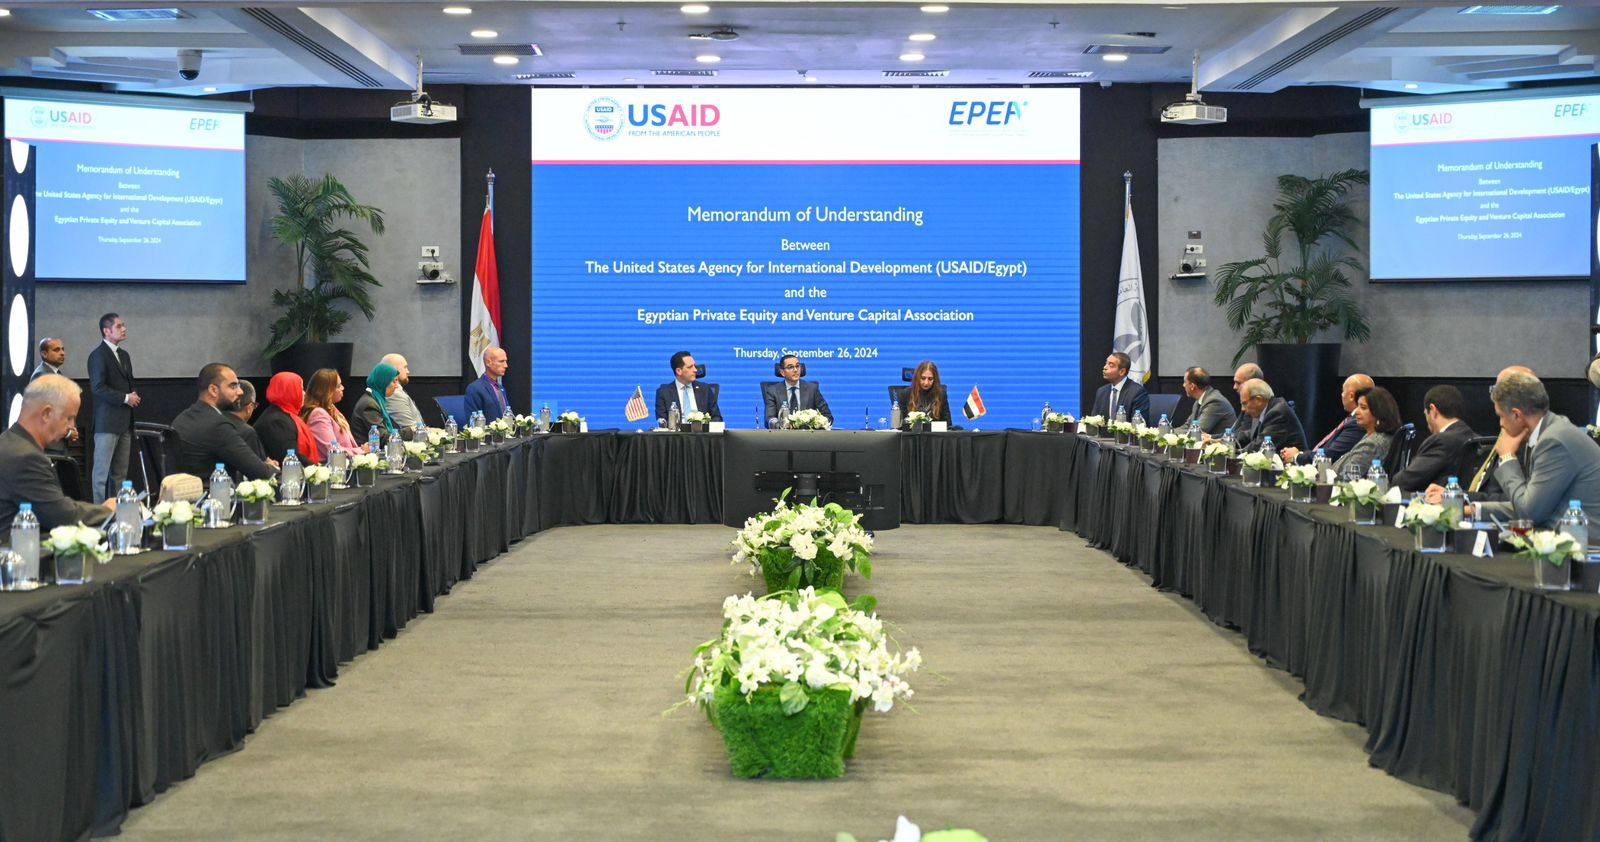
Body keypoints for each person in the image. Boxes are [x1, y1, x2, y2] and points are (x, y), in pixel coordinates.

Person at [1474, 370, 1600, 527]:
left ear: (1517, 415)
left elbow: (1530, 513)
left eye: (1501, 416)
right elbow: (1528, 503)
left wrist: (1507, 457)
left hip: (1585, 540)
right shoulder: (1548, 432)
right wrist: (1476, 510)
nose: (1501, 423)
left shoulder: (1554, 441)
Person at [0, 375, 113, 532]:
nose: (72, 426)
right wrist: (109, 510)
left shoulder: (9, 442)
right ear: (47, 413)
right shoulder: (25, 458)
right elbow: (62, 516)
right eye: (69, 418)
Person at [171, 363, 277, 481]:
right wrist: (272, 467)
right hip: (215, 491)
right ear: (213, 390)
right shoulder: (218, 426)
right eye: (233, 386)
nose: (240, 392)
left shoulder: (181, 418)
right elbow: (261, 473)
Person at [88, 312, 140, 500]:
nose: (124, 329)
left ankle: (119, 511)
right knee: (101, 475)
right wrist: (125, 398)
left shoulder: (124, 355)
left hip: (125, 422)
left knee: (120, 474)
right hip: (107, 423)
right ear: (106, 331)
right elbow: (97, 387)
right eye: (119, 326)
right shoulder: (98, 355)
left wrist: (132, 394)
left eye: (123, 325)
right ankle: (100, 511)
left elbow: (128, 382)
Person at [1394, 385, 1476, 493]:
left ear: (1433, 410)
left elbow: (1404, 481)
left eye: (1425, 414)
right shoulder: (1475, 438)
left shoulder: (1440, 441)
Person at [1281, 374, 1372, 465]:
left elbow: (1331, 455)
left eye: (1343, 391)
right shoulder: (1352, 419)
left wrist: (1297, 456)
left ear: (1351, 396)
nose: (1342, 395)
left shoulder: (1357, 422)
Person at [1327, 386, 1399, 478]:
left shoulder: (1373, 444)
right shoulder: (1372, 435)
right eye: (1358, 406)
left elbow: (1349, 476)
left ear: (1379, 412)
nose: (1356, 411)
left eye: (1363, 407)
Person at [255, 372, 322, 464]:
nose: (304, 393)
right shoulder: (277, 421)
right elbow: (291, 457)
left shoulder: (282, 414)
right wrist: (317, 469)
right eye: (300, 389)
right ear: (289, 391)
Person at [304, 368, 367, 455]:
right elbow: (331, 450)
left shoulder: (332, 409)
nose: (343, 388)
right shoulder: (318, 414)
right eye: (338, 386)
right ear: (327, 390)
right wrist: (362, 451)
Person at [31, 337, 77, 454]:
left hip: (56, 443)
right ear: (44, 354)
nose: (62, 353)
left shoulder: (56, 374)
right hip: (48, 445)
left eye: (62, 349)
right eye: (56, 350)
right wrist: (67, 432)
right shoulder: (42, 375)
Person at [1233, 379, 1306, 452]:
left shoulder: (1278, 413)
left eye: (1245, 403)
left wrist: (1235, 452)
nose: (1243, 409)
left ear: (1258, 400)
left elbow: (1260, 445)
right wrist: (1231, 441)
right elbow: (1250, 435)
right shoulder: (1265, 410)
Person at [762, 354, 832, 426]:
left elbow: (827, 416)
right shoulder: (772, 391)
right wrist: (779, 425)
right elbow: (769, 418)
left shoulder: (812, 389)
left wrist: (816, 422)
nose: (795, 370)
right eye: (790, 367)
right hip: (783, 432)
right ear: (782, 372)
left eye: (797, 366)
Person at [353, 362, 413, 442]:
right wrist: (411, 430)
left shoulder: (375, 399)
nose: (397, 386)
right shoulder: (369, 404)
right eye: (394, 381)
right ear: (384, 381)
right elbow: (382, 438)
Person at [654, 351, 721, 423]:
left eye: (694, 366)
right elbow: (662, 421)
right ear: (679, 371)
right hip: (676, 430)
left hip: (701, 429)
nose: (695, 370)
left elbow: (717, 417)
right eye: (690, 367)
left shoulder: (705, 389)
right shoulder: (664, 392)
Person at [1089, 352, 1149, 420]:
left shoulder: (1137, 392)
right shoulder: (1101, 392)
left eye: (1111, 365)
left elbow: (1138, 423)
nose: (1105, 367)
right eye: (1106, 364)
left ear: (1122, 371)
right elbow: (1094, 420)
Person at [1177, 366, 1234, 436]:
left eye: (1185, 382)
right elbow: (1187, 426)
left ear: (1192, 386)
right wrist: (1169, 433)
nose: (1183, 385)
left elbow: (1197, 432)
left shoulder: (1214, 402)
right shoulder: (1199, 401)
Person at [464, 347, 513, 419]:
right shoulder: (475, 389)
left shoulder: (500, 388)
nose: (506, 365)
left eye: (506, 361)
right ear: (488, 362)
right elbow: (474, 421)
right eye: (501, 361)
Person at [381, 353, 424, 428]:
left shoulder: (395, 392)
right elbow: (410, 428)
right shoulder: (394, 394)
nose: (408, 371)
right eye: (405, 367)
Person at [230, 380, 268, 461]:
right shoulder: (247, 432)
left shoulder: (215, 423)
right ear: (250, 407)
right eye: (254, 406)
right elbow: (257, 466)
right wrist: (268, 465)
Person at [1230, 364, 1264, 441]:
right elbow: (1235, 432)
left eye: (1238, 383)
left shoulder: (1257, 405)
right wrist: (1213, 438)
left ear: (1253, 383)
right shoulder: (1248, 401)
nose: (1234, 387)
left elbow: (1245, 438)